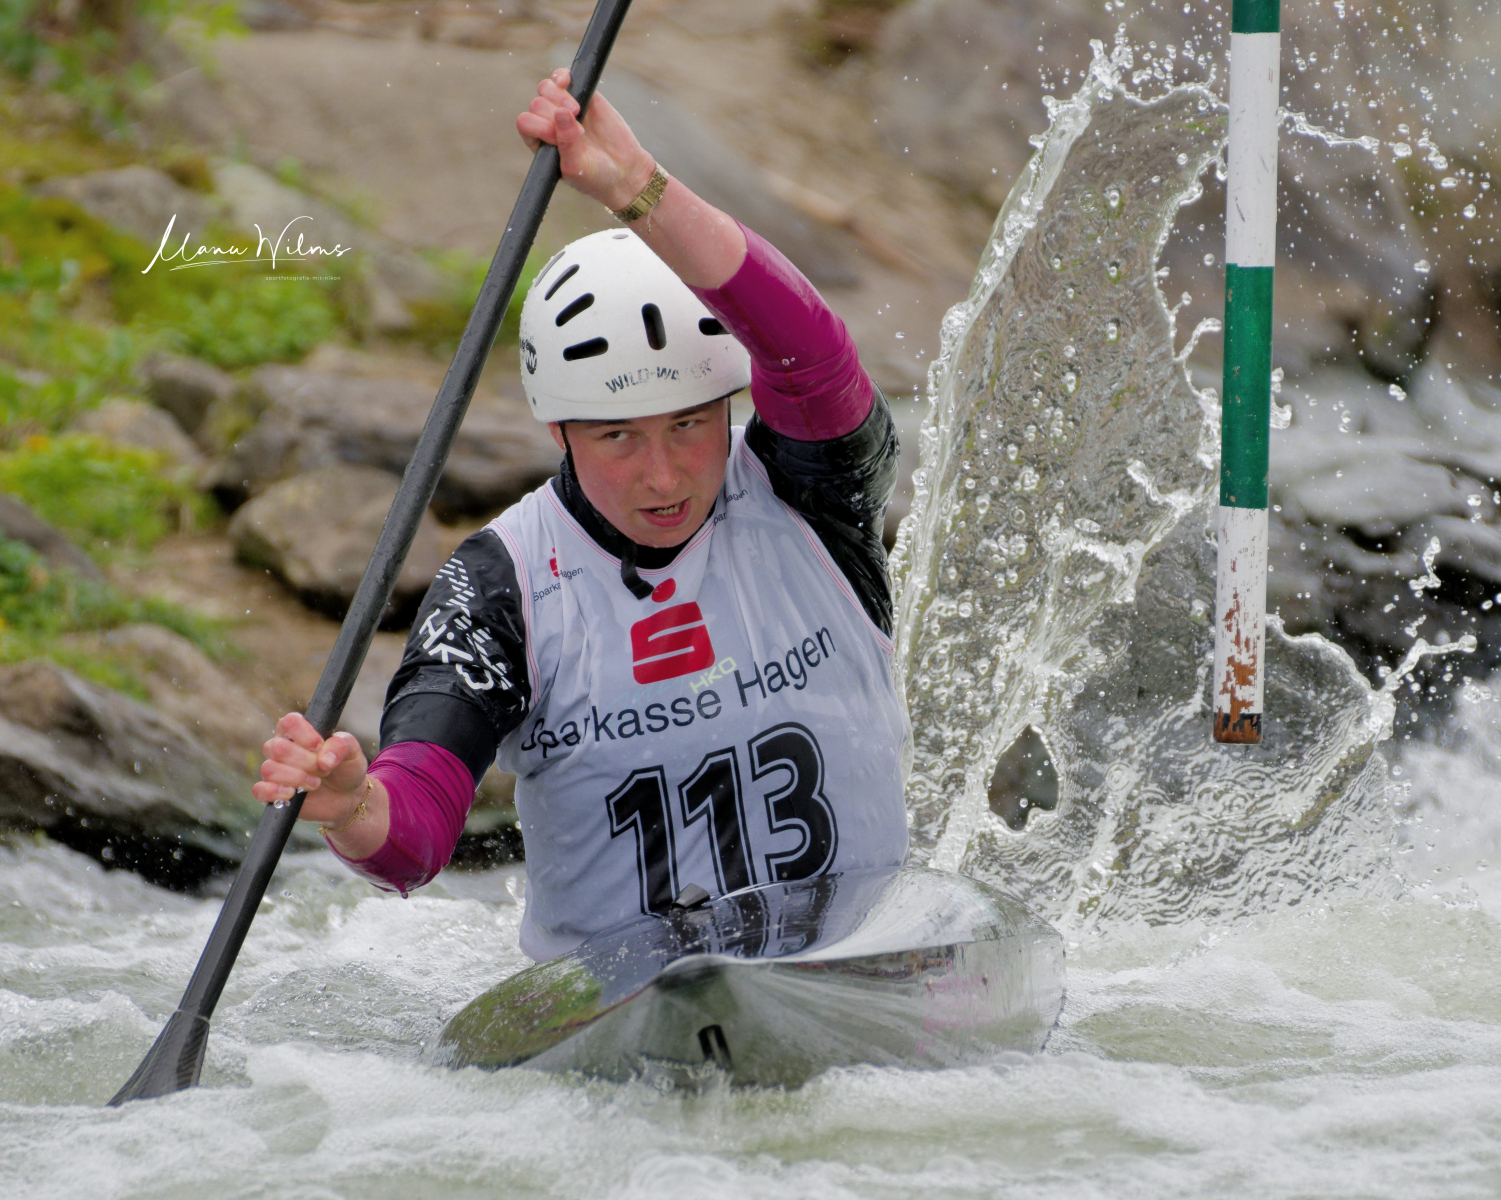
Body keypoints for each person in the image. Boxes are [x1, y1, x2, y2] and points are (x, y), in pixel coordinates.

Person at [253, 69, 910, 961]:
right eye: (617, 438)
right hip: (631, 1011)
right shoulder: (499, 586)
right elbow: (416, 836)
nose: (662, 474)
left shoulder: (809, 489)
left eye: (688, 425)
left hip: (856, 970)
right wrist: (355, 808)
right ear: (557, 430)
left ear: (729, 402)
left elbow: (810, 352)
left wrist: (636, 185)